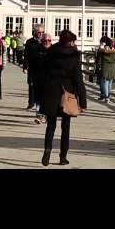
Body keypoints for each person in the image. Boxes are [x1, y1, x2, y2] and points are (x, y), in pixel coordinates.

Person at [41, 29, 87, 166]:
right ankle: (63, 156)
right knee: (65, 127)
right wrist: (83, 101)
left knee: (51, 124)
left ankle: (47, 150)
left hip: (51, 90)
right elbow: (78, 79)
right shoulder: (73, 56)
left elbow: (43, 71)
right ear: (70, 41)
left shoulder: (51, 52)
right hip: (67, 93)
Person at [23, 24, 44, 110]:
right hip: (32, 67)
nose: (41, 34)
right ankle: (31, 103)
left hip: (43, 67)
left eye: (42, 32)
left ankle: (41, 103)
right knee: (31, 85)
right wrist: (25, 66)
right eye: (39, 32)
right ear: (35, 32)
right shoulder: (29, 42)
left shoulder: (45, 40)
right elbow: (26, 55)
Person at [33, 33, 52, 124]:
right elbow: (32, 65)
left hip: (51, 79)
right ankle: (39, 116)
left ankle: (45, 116)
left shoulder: (54, 50)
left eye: (49, 40)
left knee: (48, 98)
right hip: (38, 78)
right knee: (38, 98)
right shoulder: (36, 50)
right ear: (41, 41)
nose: (47, 42)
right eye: (45, 40)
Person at [96, 36, 115, 102]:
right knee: (110, 83)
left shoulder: (102, 51)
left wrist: (98, 66)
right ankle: (108, 96)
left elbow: (99, 59)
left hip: (104, 68)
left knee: (105, 83)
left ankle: (106, 97)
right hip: (112, 68)